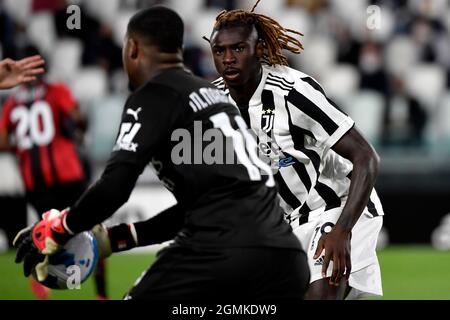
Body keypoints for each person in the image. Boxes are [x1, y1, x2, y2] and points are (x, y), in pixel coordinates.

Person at [13, 6, 310, 302]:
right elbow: (208, 203)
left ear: (132, 48)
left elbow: (115, 187)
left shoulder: (154, 95)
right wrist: (115, 238)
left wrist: (60, 229)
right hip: (283, 258)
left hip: (217, 253)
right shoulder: (214, 98)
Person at [208, 0, 384, 300]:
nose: (228, 59)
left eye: (238, 48)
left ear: (259, 48)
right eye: (220, 51)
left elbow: (366, 156)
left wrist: (342, 230)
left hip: (334, 205)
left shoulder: (292, 92)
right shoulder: (212, 105)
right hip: (284, 225)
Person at [0, 47, 108, 300]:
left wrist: (26, 146)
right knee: (91, 230)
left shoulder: (12, 102)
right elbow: (77, 119)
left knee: (42, 236)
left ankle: (42, 290)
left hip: (35, 179)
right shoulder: (56, 91)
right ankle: (101, 295)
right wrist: (74, 129)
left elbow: (3, 141)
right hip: (68, 174)